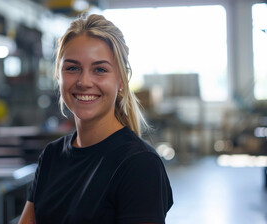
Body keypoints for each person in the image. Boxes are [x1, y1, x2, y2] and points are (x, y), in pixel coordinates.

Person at [19, 14, 173, 224]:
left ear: (120, 81)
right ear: (58, 76)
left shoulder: (139, 164)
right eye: (72, 68)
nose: (84, 82)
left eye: (100, 70)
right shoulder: (51, 156)